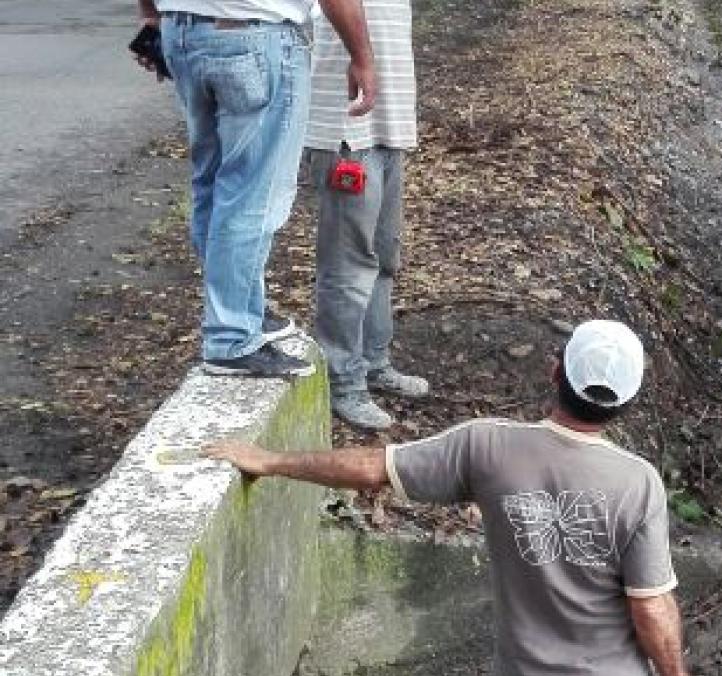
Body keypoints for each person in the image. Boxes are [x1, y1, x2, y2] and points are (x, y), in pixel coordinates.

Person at [204, 320, 689, 676]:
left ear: (554, 373)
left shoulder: (486, 446)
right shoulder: (637, 483)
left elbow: (372, 468)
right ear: (628, 403)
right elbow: (651, 610)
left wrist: (270, 461)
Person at [134, 0, 377, 377]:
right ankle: (231, 337)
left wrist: (152, 16)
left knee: (212, 182)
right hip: (255, 36)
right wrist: (362, 57)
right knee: (252, 190)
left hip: (181, 32)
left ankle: (241, 309)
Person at [304, 0, 427, 429]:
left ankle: (375, 362)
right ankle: (343, 382)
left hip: (388, 124)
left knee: (383, 255)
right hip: (346, 130)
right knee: (348, 264)